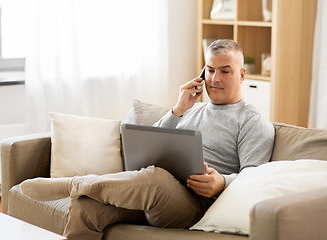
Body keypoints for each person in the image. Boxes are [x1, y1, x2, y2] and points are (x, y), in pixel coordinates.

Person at [20, 39, 275, 240]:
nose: (214, 79)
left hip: (198, 204)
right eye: (209, 70)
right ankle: (83, 190)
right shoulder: (191, 109)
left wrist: (221, 181)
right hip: (155, 196)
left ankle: (75, 184)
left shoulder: (253, 121)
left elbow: (255, 177)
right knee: (88, 207)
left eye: (225, 71)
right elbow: (153, 140)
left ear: (242, 75)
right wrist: (177, 109)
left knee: (154, 177)